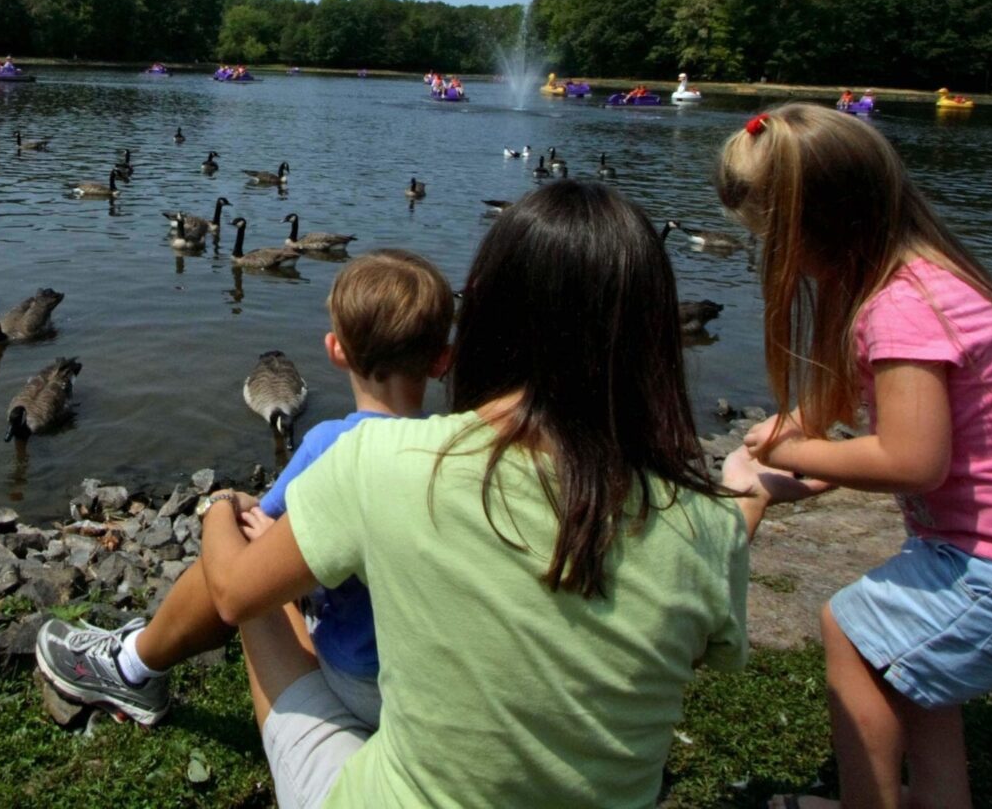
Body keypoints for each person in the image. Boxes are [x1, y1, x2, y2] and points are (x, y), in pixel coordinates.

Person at [190, 181, 750, 807]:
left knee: (255, 574)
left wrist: (221, 507)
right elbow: (696, 649)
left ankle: (132, 664)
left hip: (380, 759)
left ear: (489, 316)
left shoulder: (380, 459)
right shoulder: (711, 524)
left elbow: (233, 595)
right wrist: (743, 501)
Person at [718, 105, 992, 809]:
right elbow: (884, 410)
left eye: (770, 239)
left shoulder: (901, 310)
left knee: (854, 633)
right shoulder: (931, 279)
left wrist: (797, 450)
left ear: (817, 231)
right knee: (916, 655)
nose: (773, 260)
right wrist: (806, 424)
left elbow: (915, 461)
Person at [33, 250, 455, 727]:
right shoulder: (457, 448)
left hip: (360, 684)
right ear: (442, 361)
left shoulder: (330, 443)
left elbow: (259, 541)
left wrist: (221, 503)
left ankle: (130, 669)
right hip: (423, 679)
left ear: (335, 350)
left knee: (239, 537)